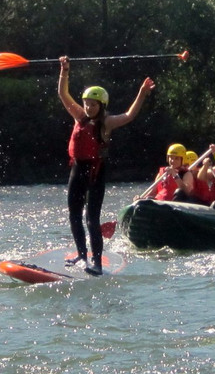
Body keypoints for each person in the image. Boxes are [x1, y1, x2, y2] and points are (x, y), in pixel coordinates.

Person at [58, 56, 154, 275]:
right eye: (86, 103)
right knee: (74, 215)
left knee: (91, 218)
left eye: (93, 104)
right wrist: (64, 70)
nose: (88, 107)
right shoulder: (78, 116)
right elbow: (63, 94)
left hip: (96, 173)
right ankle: (82, 254)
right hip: (77, 170)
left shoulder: (107, 123)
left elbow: (129, 115)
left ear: (101, 105)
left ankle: (98, 263)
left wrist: (142, 92)